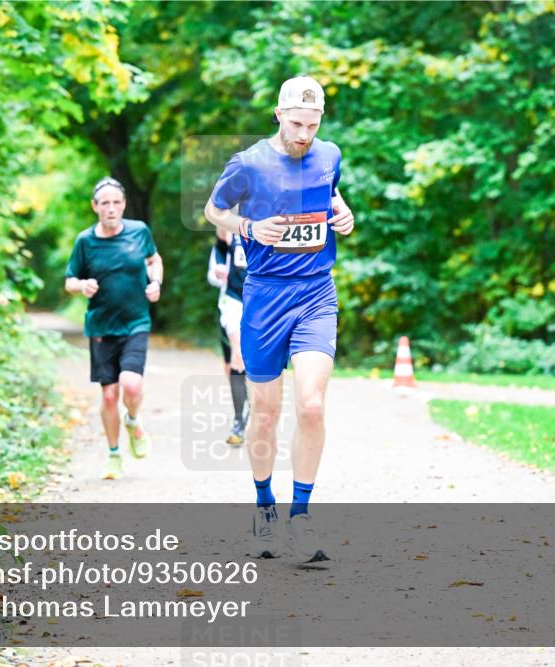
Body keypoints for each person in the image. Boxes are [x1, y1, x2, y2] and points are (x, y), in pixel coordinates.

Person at [204, 75, 354, 564]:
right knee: (264, 413)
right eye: (296, 123)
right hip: (265, 297)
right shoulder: (248, 163)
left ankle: (301, 516)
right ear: (278, 114)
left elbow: (330, 194)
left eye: (313, 124)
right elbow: (213, 210)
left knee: (311, 405)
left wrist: (344, 212)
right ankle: (265, 504)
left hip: (316, 291)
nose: (304, 133)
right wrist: (248, 226)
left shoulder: (330, 154)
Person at [65, 176, 164, 480]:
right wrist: (82, 285)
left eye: (116, 202)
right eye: (104, 203)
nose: (111, 208)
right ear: (95, 207)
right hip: (101, 327)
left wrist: (156, 282)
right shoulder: (85, 241)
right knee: (109, 396)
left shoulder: (139, 232)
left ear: (123, 205)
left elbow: (154, 260)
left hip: (136, 321)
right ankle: (113, 454)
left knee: (131, 385)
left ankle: (133, 421)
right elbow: (69, 281)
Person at [206, 230, 249, 444]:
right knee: (237, 357)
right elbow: (212, 276)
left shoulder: (267, 227)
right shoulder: (224, 240)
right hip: (233, 302)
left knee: (257, 362)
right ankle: (239, 420)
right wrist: (218, 272)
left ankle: (256, 408)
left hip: (262, 302)